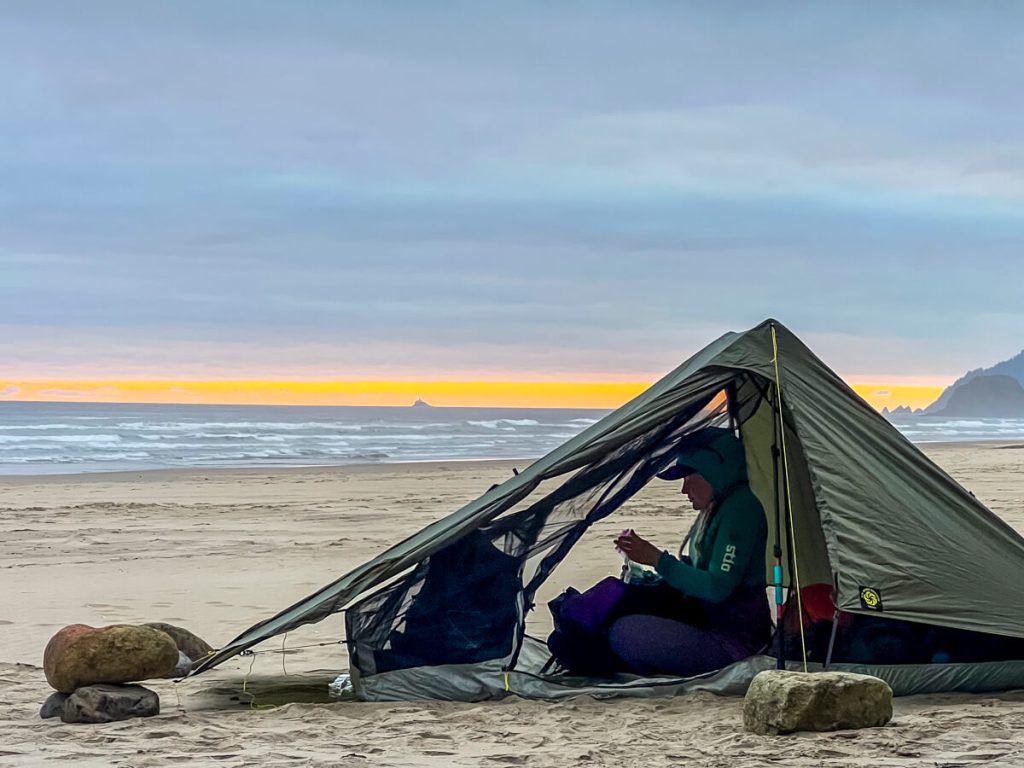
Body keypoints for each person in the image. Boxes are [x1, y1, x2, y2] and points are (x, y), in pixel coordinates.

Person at [611, 426, 772, 677]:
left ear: (716, 472)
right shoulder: (717, 506)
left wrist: (657, 559)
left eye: (689, 479)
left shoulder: (741, 509)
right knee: (619, 616)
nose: (684, 490)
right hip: (705, 622)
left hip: (734, 644)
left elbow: (717, 587)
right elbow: (700, 571)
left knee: (625, 633)